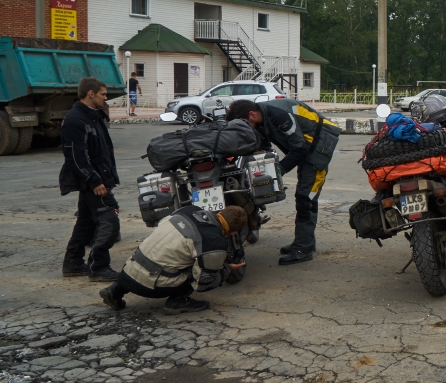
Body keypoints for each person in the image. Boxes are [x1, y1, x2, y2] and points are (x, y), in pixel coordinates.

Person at [225, 97, 341, 264]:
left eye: (244, 124)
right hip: (307, 149)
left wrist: (278, 171)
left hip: (317, 149)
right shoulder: (262, 119)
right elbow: (264, 145)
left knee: (306, 199)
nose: (245, 129)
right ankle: (304, 242)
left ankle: (303, 249)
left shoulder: (279, 115)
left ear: (252, 114)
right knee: (303, 197)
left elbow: (299, 148)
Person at [98, 205, 247, 314]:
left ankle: (115, 290)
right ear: (233, 232)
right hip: (152, 286)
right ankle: (177, 301)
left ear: (220, 212)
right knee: (198, 270)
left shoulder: (188, 210)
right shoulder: (215, 242)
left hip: (128, 271)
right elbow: (203, 283)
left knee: (158, 253)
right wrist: (227, 269)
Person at [60, 77, 121, 281]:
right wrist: (95, 181)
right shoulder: (75, 120)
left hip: (100, 178)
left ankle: (73, 263)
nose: (106, 98)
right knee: (109, 221)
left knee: (85, 223)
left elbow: (103, 151)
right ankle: (99, 267)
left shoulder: (94, 116)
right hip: (93, 182)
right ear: (91, 93)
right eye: (103, 94)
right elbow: (76, 157)